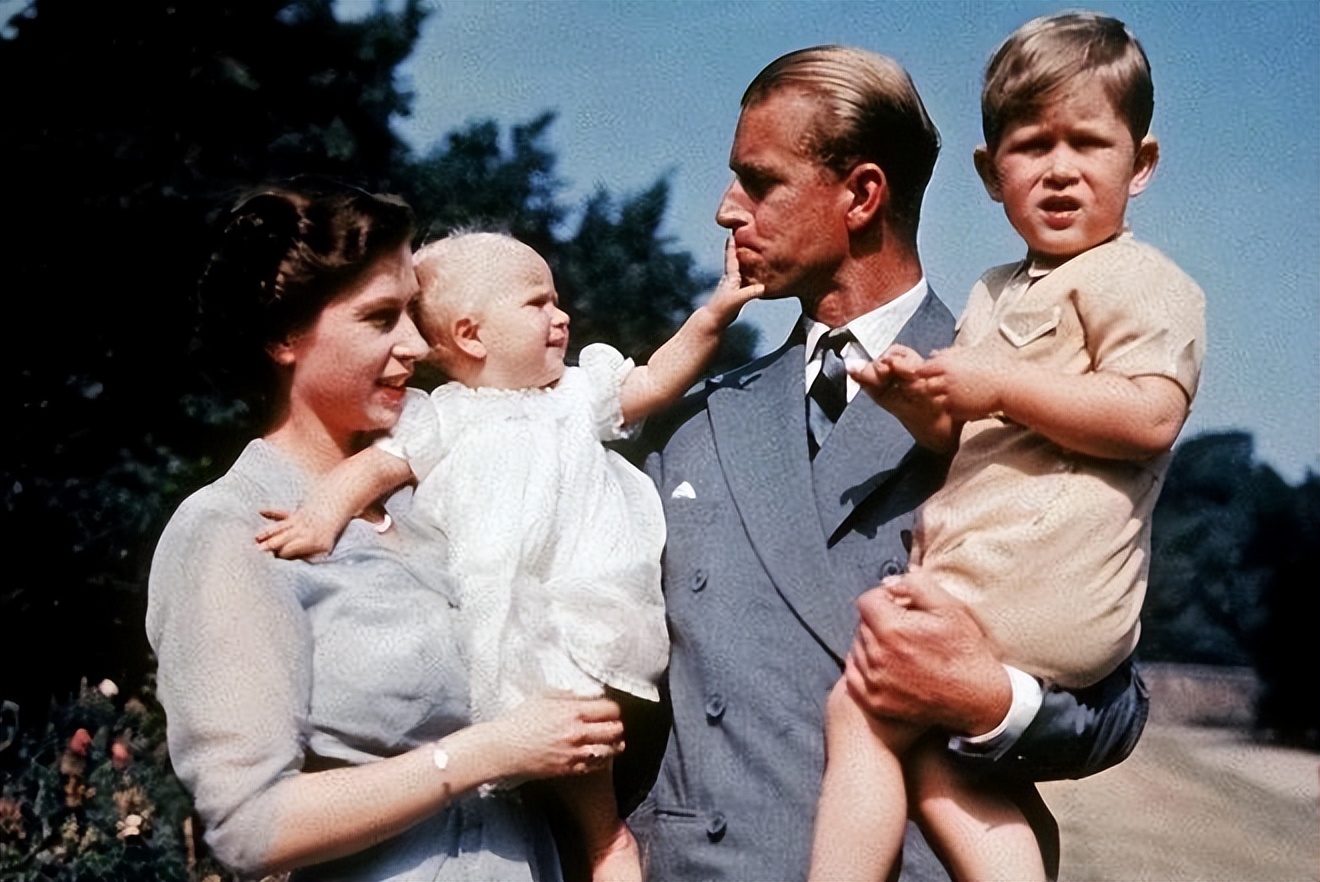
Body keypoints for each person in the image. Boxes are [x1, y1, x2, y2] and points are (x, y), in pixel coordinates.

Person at [624, 45, 1154, 882]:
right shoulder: (692, 424)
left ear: (863, 194)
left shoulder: (1032, 399)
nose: (727, 210)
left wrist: (988, 698)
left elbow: (1115, 706)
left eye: (758, 182)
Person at [808, 13, 1207, 882]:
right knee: (938, 758)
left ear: (1140, 164)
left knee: (860, 708)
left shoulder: (1143, 280)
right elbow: (966, 436)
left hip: (1045, 580)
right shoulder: (996, 290)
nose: (1060, 170)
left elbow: (1150, 417)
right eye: (1031, 147)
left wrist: (998, 382)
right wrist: (922, 405)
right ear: (993, 174)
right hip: (997, 570)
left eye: (1089, 144)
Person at [146, 179, 629, 882]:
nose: (417, 342)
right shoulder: (230, 529)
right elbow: (251, 828)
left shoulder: (447, 491)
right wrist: (490, 752)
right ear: (283, 337)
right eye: (380, 318)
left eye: (413, 311)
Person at [252, 230, 763, 881]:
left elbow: (656, 379)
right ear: (471, 335)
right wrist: (319, 517)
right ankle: (557, 837)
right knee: (510, 741)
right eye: (538, 303)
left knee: (576, 735)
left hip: (584, 613)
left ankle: (607, 842)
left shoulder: (577, 394)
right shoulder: (442, 417)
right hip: (492, 616)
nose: (562, 316)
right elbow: (371, 471)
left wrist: (716, 312)